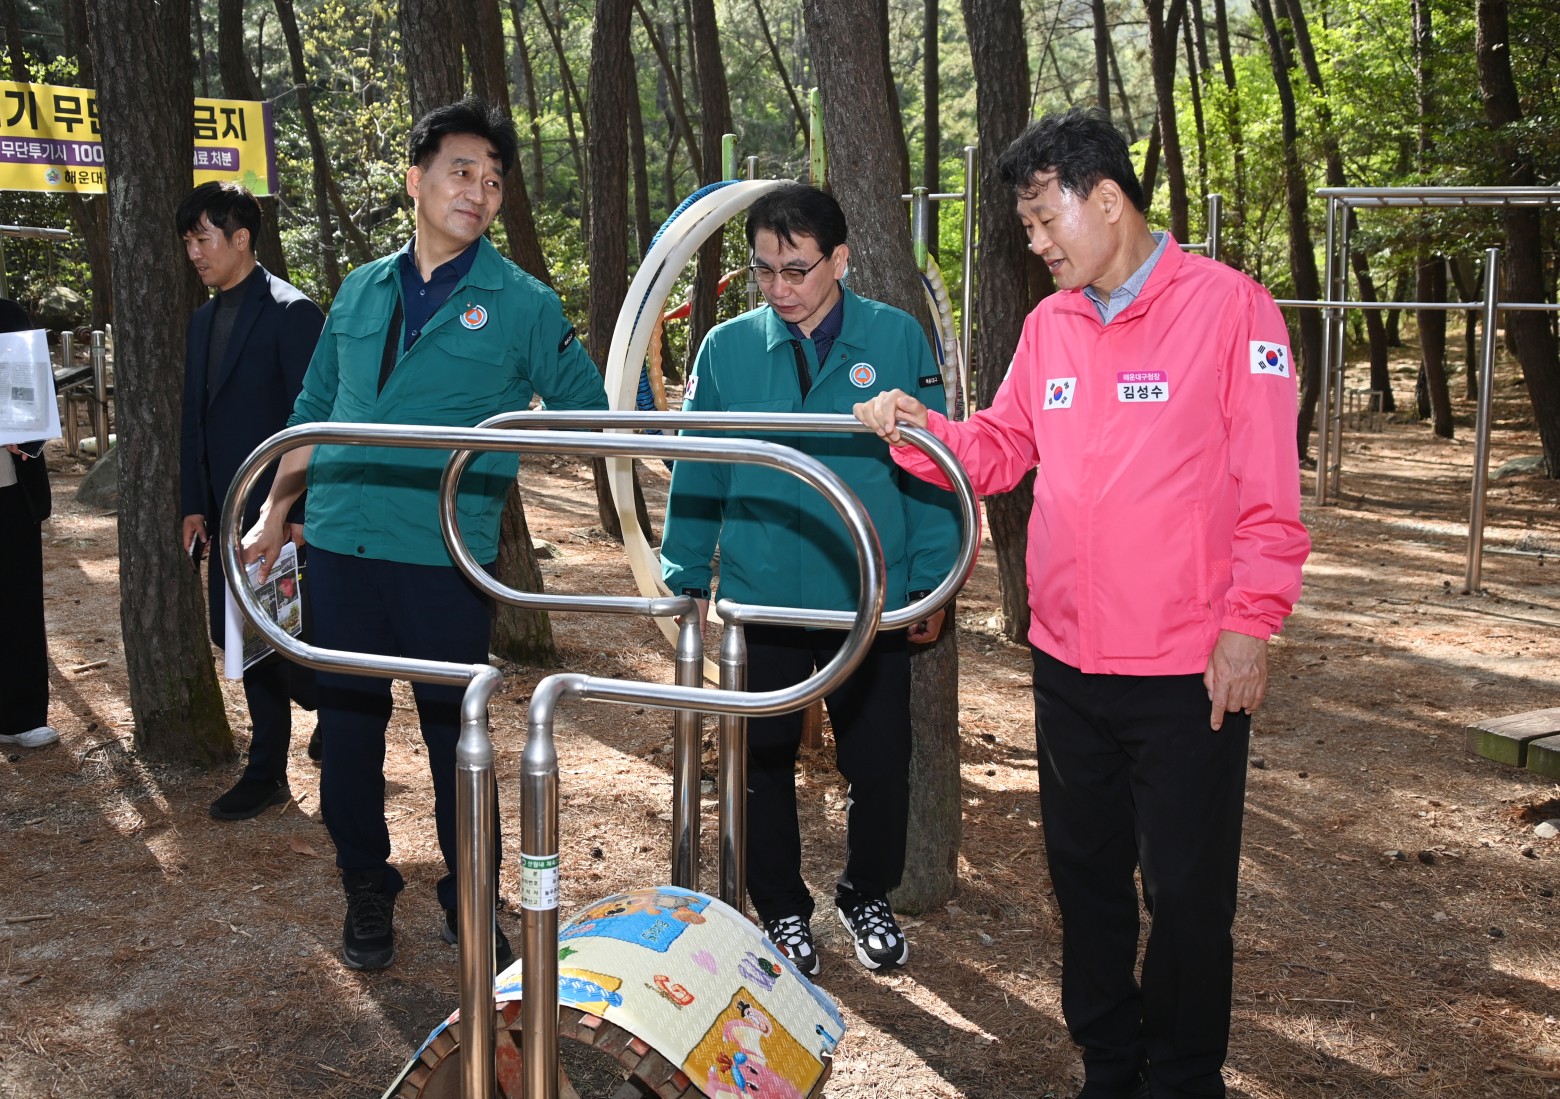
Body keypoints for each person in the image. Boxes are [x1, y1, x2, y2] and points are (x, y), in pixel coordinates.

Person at [855, 108, 1309, 1097]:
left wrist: (1249, 625)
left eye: (1043, 220)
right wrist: (919, 429)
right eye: (1024, 227)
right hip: (1067, 666)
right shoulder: (1050, 327)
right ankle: (1110, 1063)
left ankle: (1182, 1073)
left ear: (1107, 201)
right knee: (1086, 881)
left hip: (1187, 672)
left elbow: (1272, 496)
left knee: (1186, 893)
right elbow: (997, 450)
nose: (1035, 243)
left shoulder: (1232, 310)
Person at [242, 97, 608, 973]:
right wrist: (273, 511)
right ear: (416, 179)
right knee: (348, 733)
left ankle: (471, 895)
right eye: (461, 171)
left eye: (493, 180)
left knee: (458, 737)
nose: (478, 191)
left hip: (443, 553)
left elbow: (591, 411)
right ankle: (365, 886)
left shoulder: (522, 303)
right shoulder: (361, 288)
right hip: (342, 545)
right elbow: (313, 412)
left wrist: (507, 441)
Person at [660, 183, 960, 977]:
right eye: (764, 270)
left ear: (841, 259)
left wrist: (932, 581)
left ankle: (867, 892)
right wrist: (685, 571)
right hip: (761, 592)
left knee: (880, 759)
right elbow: (698, 467)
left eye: (797, 269)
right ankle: (783, 908)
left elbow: (932, 469)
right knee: (761, 759)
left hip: (866, 594)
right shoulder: (726, 348)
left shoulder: (894, 337)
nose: (780, 287)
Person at [178, 181, 326, 821]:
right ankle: (274, 767)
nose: (194, 252)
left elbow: (314, 423)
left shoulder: (293, 313)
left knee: (289, 640)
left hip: (281, 515)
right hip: (226, 510)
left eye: (202, 238)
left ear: (240, 238)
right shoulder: (203, 320)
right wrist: (194, 503)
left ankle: (322, 723)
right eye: (188, 241)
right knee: (238, 635)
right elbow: (195, 419)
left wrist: (296, 513)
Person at [0, 298, 59, 752]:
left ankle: (19, 714)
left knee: (16, 597)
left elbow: (32, 389)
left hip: (7, 484)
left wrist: (26, 432)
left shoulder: (8, 316)